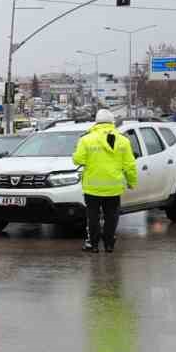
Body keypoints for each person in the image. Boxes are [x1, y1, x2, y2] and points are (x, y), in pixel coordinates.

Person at [71, 109, 136, 254]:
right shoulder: (123, 140)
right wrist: (131, 181)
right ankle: (109, 245)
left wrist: (78, 152)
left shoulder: (86, 139)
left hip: (92, 187)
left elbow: (78, 160)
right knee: (111, 217)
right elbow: (130, 165)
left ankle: (93, 245)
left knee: (93, 217)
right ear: (112, 122)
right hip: (114, 187)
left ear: (96, 122)